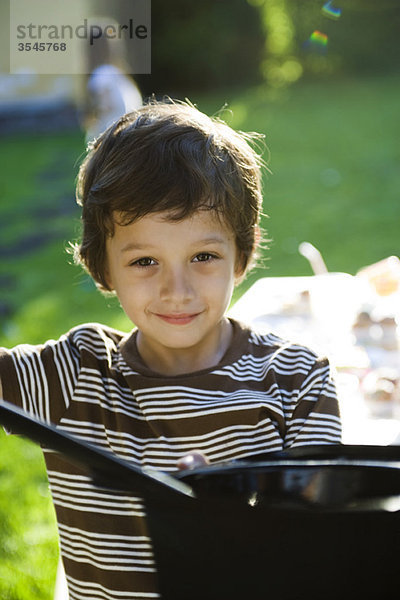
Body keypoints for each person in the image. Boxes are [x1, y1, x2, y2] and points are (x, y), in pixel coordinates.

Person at [0, 100, 341, 600]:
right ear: (102, 267)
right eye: (144, 261)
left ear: (242, 256)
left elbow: (325, 545)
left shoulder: (297, 382)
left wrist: (218, 514)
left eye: (203, 256)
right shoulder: (74, 375)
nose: (176, 290)